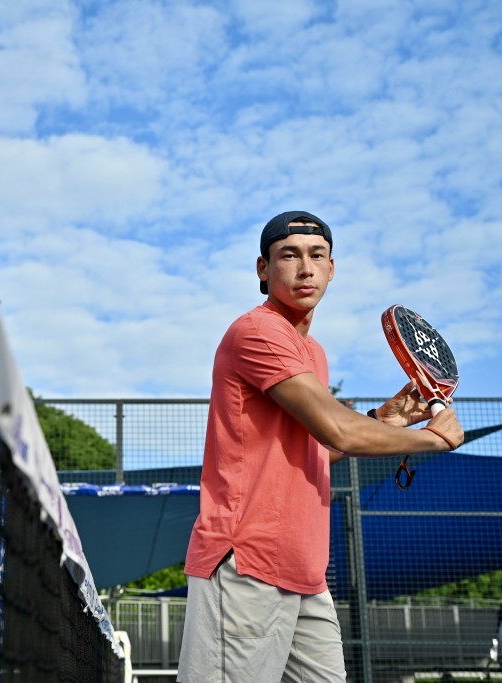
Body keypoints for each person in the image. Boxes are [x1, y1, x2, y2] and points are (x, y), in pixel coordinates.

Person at [176, 211, 464, 683]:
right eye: (288, 255)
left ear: (332, 269)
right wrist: (428, 439)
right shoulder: (258, 331)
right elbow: (337, 431)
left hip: (307, 573)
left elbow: (317, 449)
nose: (305, 268)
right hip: (248, 564)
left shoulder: (315, 354)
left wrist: (381, 420)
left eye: (317, 256)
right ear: (263, 270)